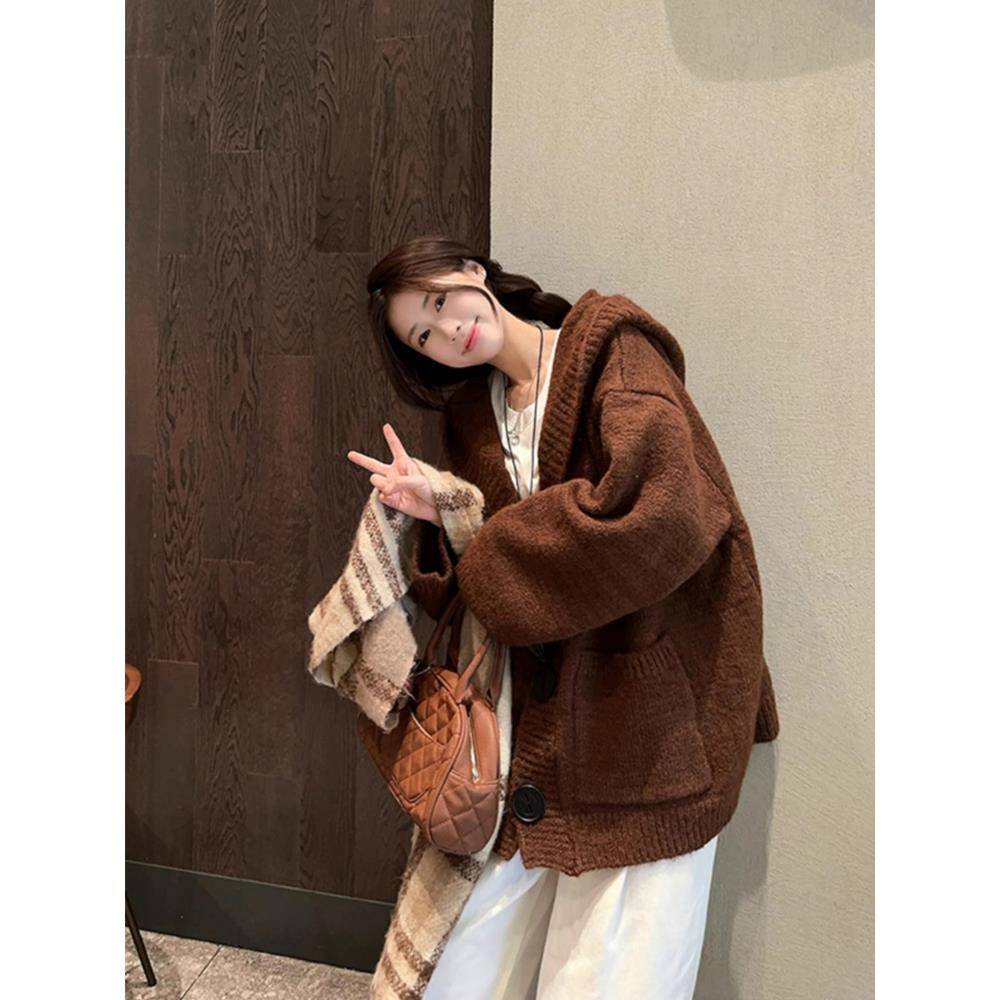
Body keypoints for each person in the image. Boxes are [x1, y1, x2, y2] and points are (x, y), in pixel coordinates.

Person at [346, 235, 780, 999]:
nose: (448, 330)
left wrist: (489, 549)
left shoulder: (614, 352)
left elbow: (665, 514)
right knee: (464, 976)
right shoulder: (471, 419)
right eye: (423, 334)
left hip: (642, 733)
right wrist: (440, 513)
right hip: (526, 744)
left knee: (614, 977)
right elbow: (485, 593)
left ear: (473, 269)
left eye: (442, 301)